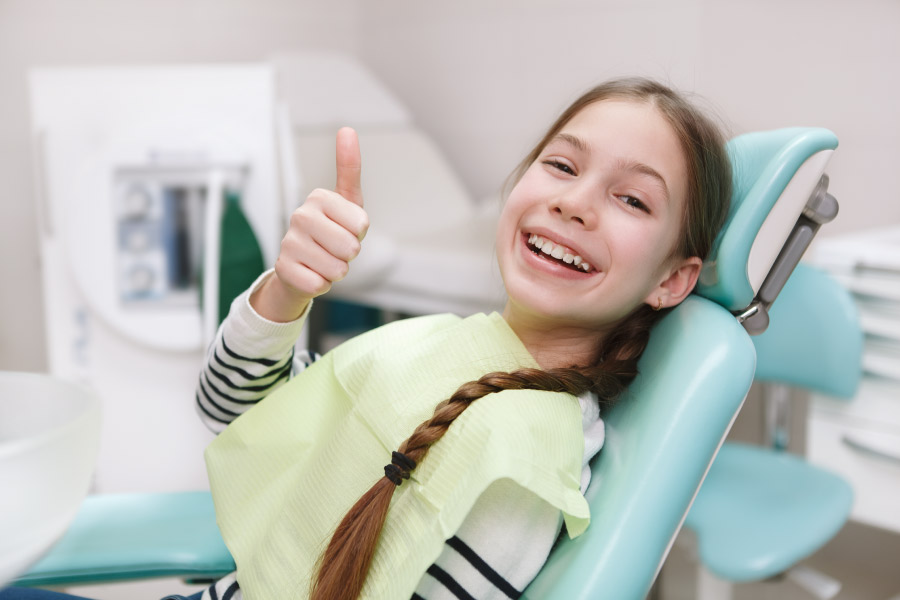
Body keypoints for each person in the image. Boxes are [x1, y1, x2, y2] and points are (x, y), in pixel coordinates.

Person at [0, 77, 731, 600]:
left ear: (673, 278)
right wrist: (285, 292)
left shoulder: (528, 468)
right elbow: (230, 406)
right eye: (562, 166)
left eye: (631, 198)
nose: (575, 203)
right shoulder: (434, 343)